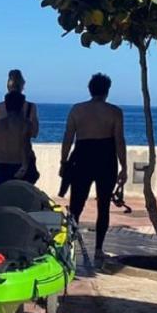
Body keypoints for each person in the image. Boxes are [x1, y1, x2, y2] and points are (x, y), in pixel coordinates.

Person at [60, 73, 127, 261]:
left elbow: (67, 138)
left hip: (82, 156)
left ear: (90, 89)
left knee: (76, 205)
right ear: (107, 91)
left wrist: (63, 162)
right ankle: (98, 249)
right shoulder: (115, 112)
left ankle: (69, 247)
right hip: (106, 158)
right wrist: (124, 166)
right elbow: (119, 141)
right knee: (103, 205)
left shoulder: (77, 110)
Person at [0, 91, 34, 191]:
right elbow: (25, 147)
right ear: (22, 106)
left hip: (0, 170)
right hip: (19, 170)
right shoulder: (26, 125)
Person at [0, 69, 39, 139]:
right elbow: (35, 133)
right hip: (23, 149)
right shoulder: (31, 107)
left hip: (3, 148)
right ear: (22, 85)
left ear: (8, 86)